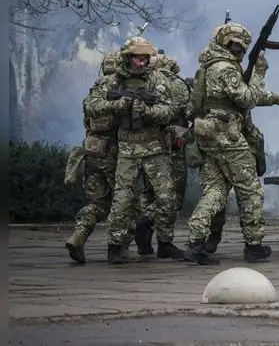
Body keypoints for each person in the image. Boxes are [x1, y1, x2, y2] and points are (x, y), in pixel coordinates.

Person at [182, 22, 279, 265]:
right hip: (228, 137)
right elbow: (246, 98)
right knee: (251, 190)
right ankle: (253, 245)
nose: (241, 50)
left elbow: (233, 98)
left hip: (210, 137)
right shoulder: (225, 68)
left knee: (215, 190)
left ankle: (195, 241)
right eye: (239, 45)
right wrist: (260, 73)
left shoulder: (210, 66)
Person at [83, 37, 185, 265]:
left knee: (167, 197)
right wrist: (115, 106)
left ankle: (165, 243)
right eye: (139, 58)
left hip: (154, 147)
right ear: (129, 58)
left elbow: (169, 110)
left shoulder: (157, 79)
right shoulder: (113, 81)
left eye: (146, 58)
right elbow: (91, 104)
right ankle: (115, 246)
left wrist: (148, 112)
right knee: (122, 200)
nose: (143, 63)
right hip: (127, 148)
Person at [64, 53, 139, 264]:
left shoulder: (93, 94)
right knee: (125, 202)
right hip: (113, 154)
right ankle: (120, 247)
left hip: (92, 151)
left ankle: (78, 236)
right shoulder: (118, 95)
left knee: (96, 203)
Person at [134, 52, 197, 256]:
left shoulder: (142, 83)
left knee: (148, 193)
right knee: (172, 197)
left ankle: (144, 242)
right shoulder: (175, 84)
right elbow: (190, 112)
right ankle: (163, 241)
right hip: (172, 147)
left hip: (146, 146)